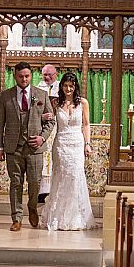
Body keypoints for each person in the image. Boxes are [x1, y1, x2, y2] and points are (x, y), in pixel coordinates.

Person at [0, 62, 55, 231]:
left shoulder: (41, 95)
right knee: (16, 183)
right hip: (13, 147)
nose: (24, 79)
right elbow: (0, 123)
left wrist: (42, 138)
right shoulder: (6, 96)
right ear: (15, 76)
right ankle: (17, 218)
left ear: (31, 76)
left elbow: (50, 121)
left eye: (27, 76)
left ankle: (32, 207)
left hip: (35, 148)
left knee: (35, 182)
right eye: (20, 76)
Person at [40, 72, 95, 231]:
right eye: (65, 86)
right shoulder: (56, 103)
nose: (68, 89)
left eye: (71, 86)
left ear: (75, 86)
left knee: (75, 176)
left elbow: (86, 124)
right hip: (61, 144)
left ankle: (76, 217)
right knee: (61, 177)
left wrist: (87, 143)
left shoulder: (83, 102)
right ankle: (57, 216)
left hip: (77, 144)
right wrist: (43, 117)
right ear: (61, 86)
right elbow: (48, 120)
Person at [36, 64, 60, 204]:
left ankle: (54, 191)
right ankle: (41, 191)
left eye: (50, 74)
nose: (47, 77)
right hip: (42, 128)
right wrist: (42, 116)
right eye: (45, 74)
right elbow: (33, 110)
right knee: (43, 158)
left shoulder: (61, 88)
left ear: (56, 74)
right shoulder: (37, 88)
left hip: (57, 127)